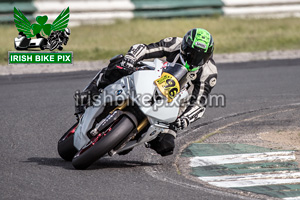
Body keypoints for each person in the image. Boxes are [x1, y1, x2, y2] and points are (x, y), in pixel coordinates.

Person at [75, 28, 218, 156]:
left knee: (166, 145)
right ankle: (90, 92)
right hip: (155, 76)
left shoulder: (209, 73)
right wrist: (131, 58)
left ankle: (133, 137)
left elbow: (199, 103)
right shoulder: (174, 43)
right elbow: (145, 49)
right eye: (190, 53)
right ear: (184, 46)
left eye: (200, 57)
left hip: (175, 100)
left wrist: (185, 119)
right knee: (118, 66)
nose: (193, 59)